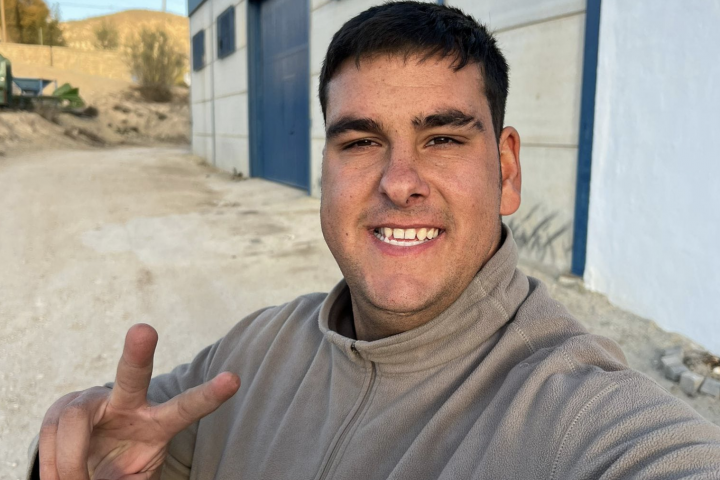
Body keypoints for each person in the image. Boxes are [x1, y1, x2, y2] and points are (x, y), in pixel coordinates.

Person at [31, 2, 720, 479]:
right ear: (325, 172)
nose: (399, 182)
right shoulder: (254, 352)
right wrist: (68, 459)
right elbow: (124, 438)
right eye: (360, 142)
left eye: (442, 138)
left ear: (506, 170)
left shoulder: (581, 417)